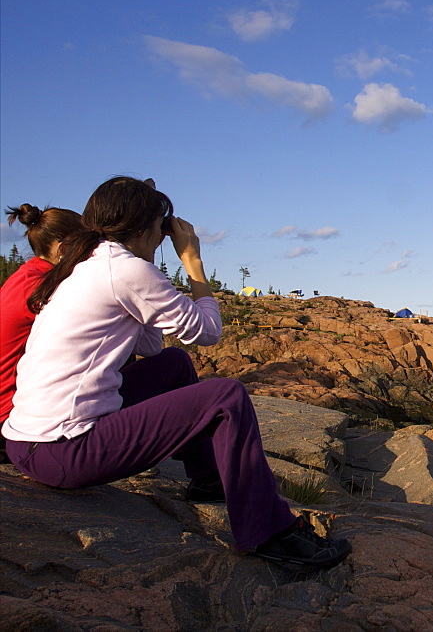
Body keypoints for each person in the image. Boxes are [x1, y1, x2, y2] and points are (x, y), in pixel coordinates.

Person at [2, 176, 350, 568]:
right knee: (226, 395)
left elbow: (150, 347)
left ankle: (209, 480)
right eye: (160, 224)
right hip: (62, 451)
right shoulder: (123, 270)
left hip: (30, 443)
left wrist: (147, 260)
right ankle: (271, 534)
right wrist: (192, 262)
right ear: (145, 227)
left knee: (173, 365)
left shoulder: (93, 266)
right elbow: (208, 331)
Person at [1, 204, 85, 462]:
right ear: (63, 248)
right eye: (88, 245)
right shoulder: (44, 288)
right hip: (10, 418)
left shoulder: (27, 275)